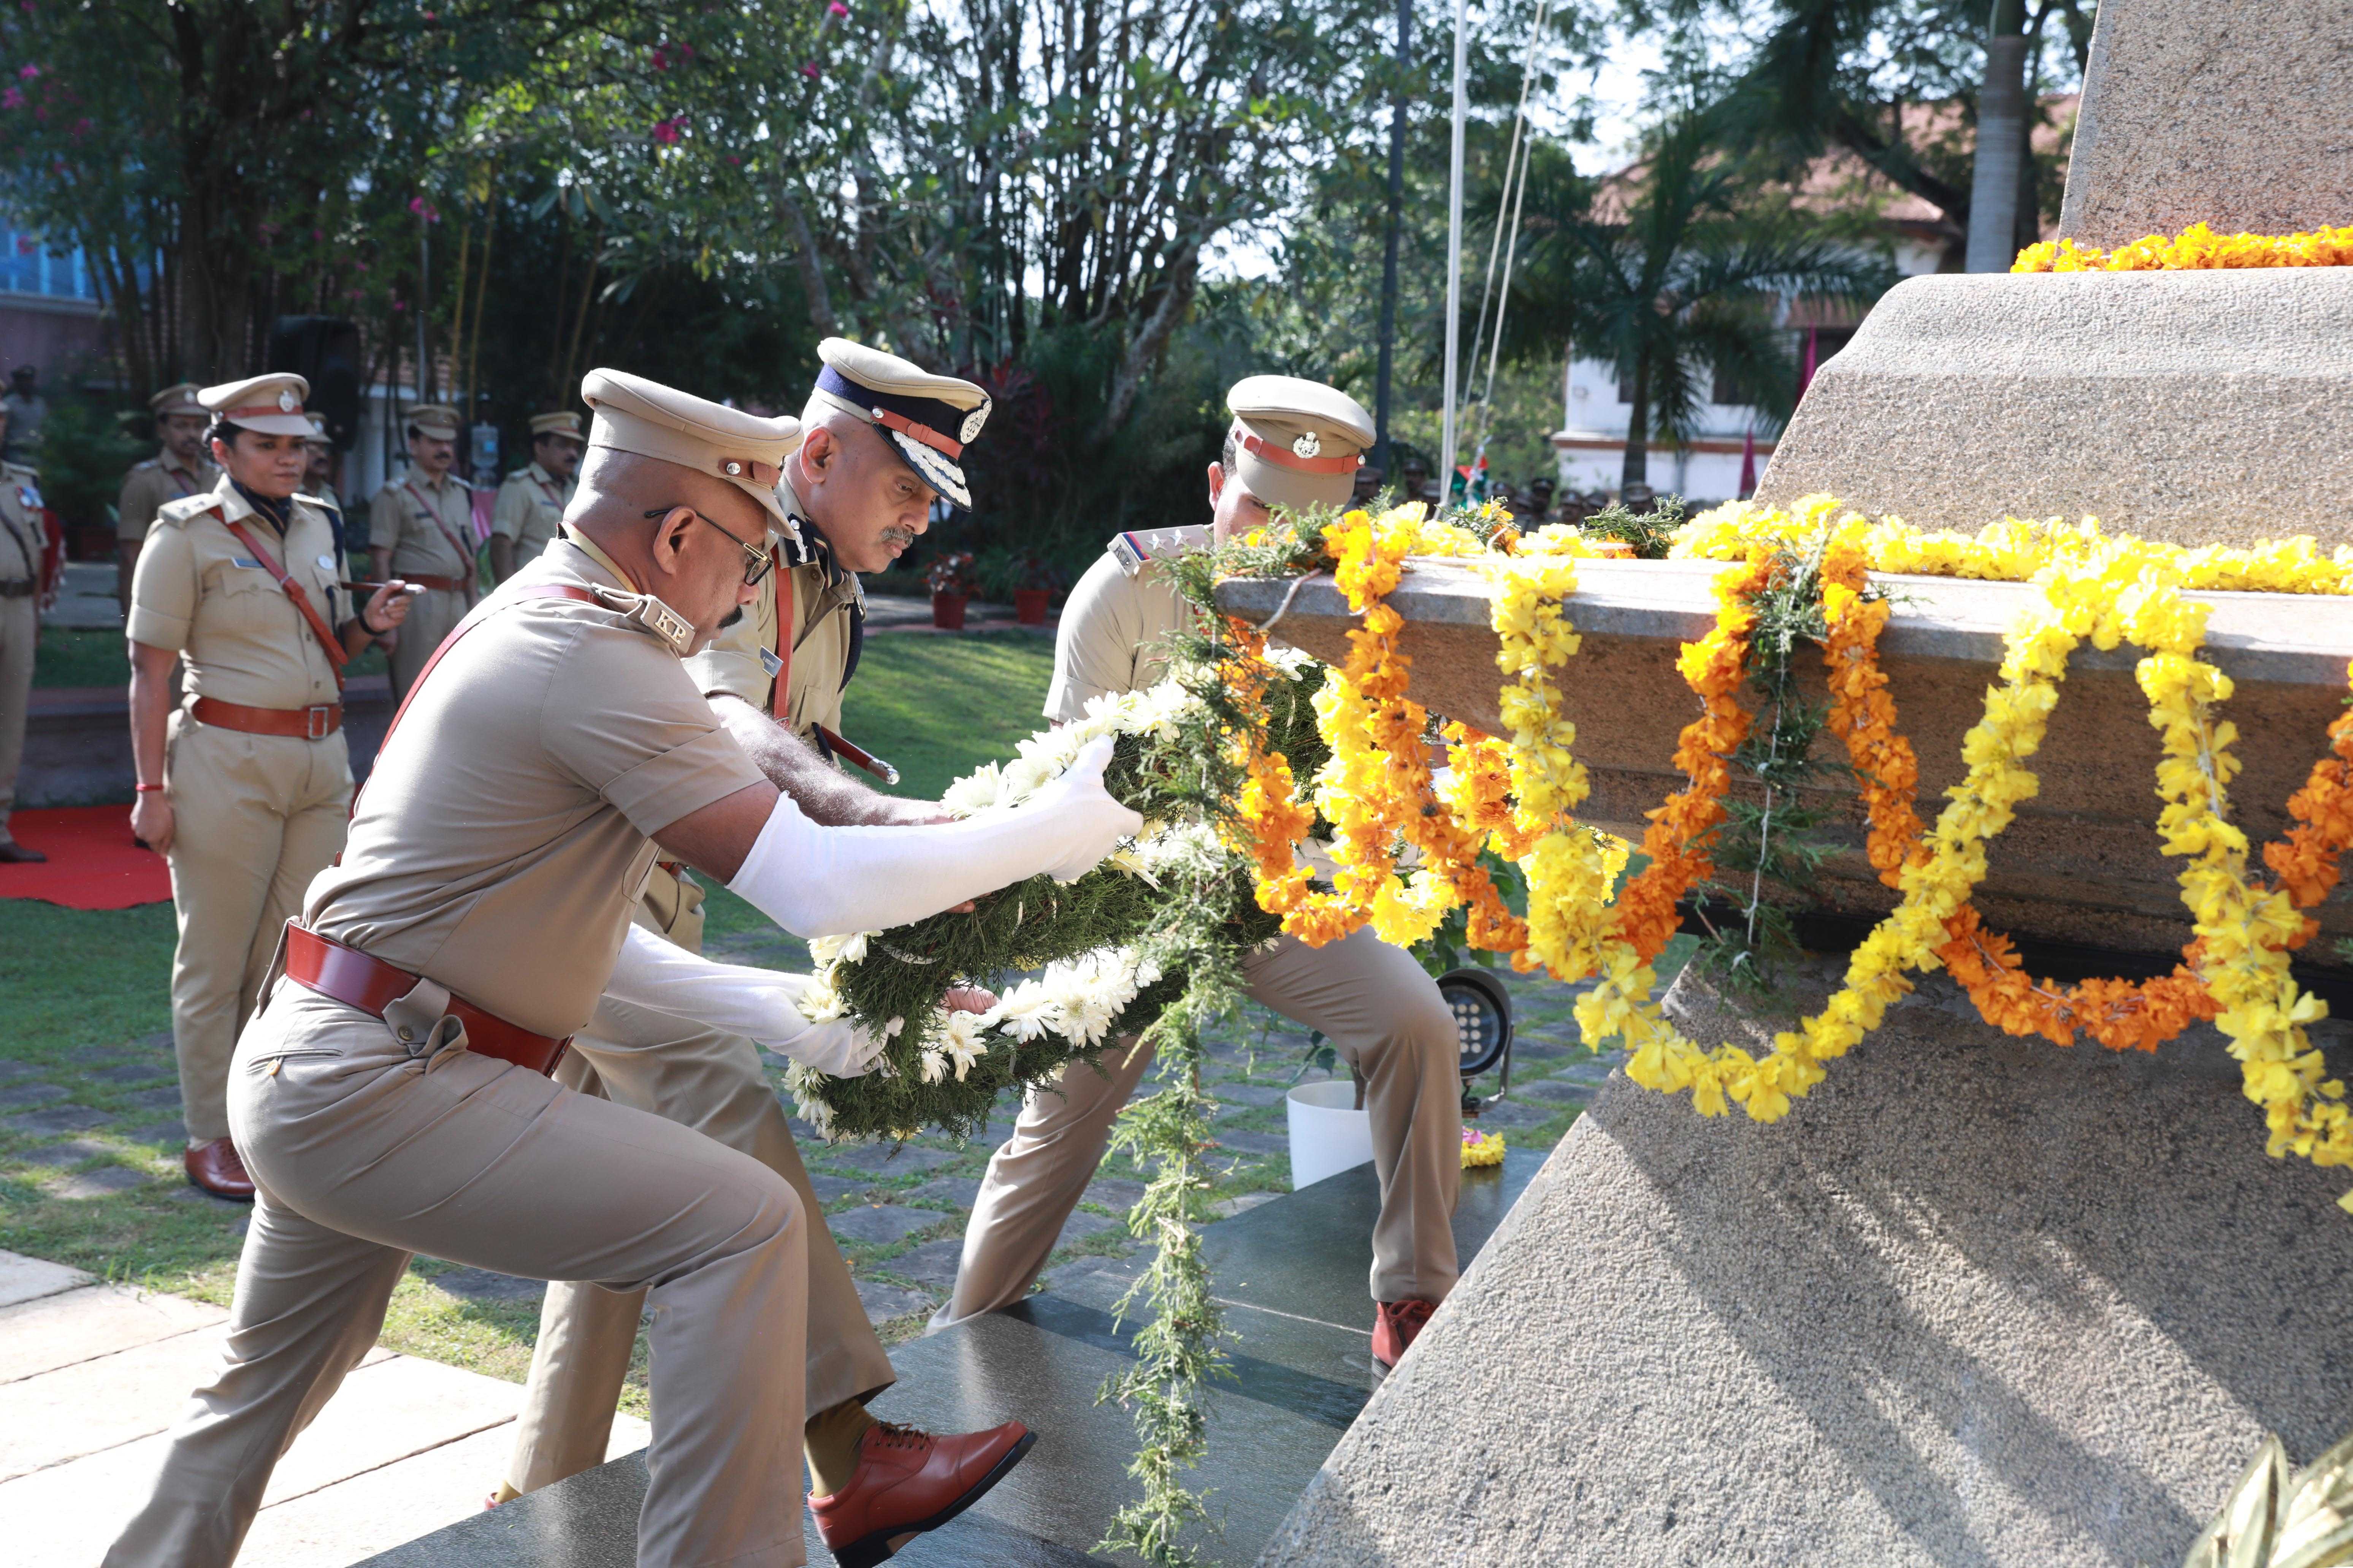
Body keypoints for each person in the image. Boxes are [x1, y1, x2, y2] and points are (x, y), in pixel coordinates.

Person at [102, 367, 1139, 1568]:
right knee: (741, 1224)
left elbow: (556, 945)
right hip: (381, 1079)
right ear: (679, 530)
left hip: (341, 1058)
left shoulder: (556, 615)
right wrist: (1072, 824)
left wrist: (796, 1014)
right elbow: (813, 879)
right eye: (748, 558)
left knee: (256, 1400)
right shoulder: (593, 649)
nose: (752, 586)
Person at [497, 341, 1024, 1566]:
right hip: (568, 890)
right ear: (823, 452)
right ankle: (850, 1460)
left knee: (625, 1205)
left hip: (644, 891)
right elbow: (733, 733)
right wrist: (910, 835)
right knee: (731, 1130)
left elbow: (792, 811)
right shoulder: (735, 539)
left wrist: (889, 957)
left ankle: (538, 1496)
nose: (915, 523)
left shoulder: (825, 581)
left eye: (930, 504)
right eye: (904, 488)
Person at [937, 375, 1467, 1369]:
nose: (1276, 538)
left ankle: (1411, 1295)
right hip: (1134, 888)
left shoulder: (1368, 610)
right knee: (1057, 1118)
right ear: (1217, 480)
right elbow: (1066, 793)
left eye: (1309, 522)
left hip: (1280, 891)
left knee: (1416, 1024)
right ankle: (959, 1339)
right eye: (1259, 506)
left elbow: (1408, 754)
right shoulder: (1127, 588)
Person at [123, 374, 417, 1201]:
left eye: (297, 445)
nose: (289, 458)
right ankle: (208, 1134)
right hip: (225, 759)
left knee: (294, 956)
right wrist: (150, 785)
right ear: (222, 449)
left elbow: (330, 651)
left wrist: (370, 625)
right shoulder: (185, 534)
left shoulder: (321, 524)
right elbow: (148, 672)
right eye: (268, 444)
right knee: (214, 959)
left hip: (320, 763)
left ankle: (271, 1122)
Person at [367, 403, 473, 701]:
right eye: (435, 442)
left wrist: (475, 606)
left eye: (448, 442)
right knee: (416, 696)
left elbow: (471, 558)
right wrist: (388, 622)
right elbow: (381, 557)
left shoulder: (461, 493)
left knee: (459, 693)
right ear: (413, 445)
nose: (444, 449)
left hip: (459, 601)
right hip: (417, 606)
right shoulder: (395, 495)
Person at [0, 403, 55, 864]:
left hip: (17, 605)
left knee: (10, 720)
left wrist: (35, 616)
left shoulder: (23, 481)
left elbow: (38, 553)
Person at [117, 382, 219, 614]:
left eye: (199, 426)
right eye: (181, 426)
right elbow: (131, 552)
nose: (192, 434)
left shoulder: (219, 476)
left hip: (214, 594)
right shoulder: (144, 480)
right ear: (162, 431)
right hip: (165, 594)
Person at [488, 410, 583, 582]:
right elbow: (501, 545)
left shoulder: (576, 490)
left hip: (569, 590)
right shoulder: (519, 487)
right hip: (531, 592)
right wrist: (510, 597)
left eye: (575, 448)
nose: (573, 455)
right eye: (563, 446)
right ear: (540, 448)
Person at [299, 413, 351, 568]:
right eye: (313, 449)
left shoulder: (331, 495)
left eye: (324, 448)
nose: (322, 456)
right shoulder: (282, 495)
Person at [3, 362, 47, 466]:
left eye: (30, 379)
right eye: (24, 380)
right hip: (14, 455)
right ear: (17, 382)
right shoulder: (8, 404)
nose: (27, 383)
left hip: (36, 456)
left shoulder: (40, 404)